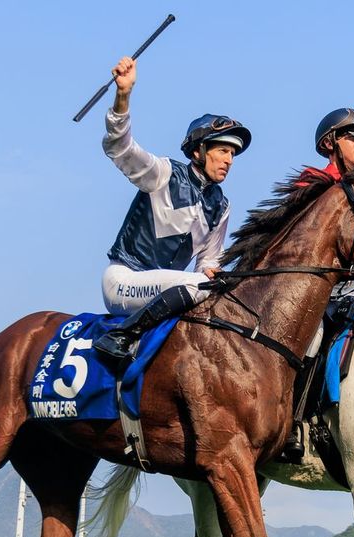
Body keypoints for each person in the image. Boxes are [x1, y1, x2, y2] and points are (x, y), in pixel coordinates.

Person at [93, 56, 251, 361]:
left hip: (166, 290)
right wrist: (122, 96)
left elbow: (208, 263)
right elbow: (119, 147)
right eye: (222, 150)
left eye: (232, 153)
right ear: (197, 151)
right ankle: (121, 335)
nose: (229, 159)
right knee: (201, 285)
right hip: (124, 281)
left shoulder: (221, 205)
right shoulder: (164, 174)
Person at [283, 108, 354, 460]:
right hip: (310, 291)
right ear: (330, 144)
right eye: (353, 137)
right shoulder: (311, 183)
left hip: (349, 292)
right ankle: (294, 421)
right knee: (316, 336)